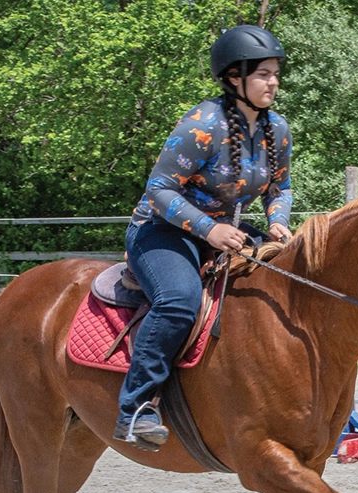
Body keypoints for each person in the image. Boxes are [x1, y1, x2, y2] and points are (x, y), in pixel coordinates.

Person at [114, 25, 293, 451]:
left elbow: (278, 188)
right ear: (235, 77)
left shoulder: (277, 129)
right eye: (264, 74)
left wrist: (278, 221)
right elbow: (159, 190)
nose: (274, 82)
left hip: (225, 234)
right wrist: (210, 228)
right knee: (178, 300)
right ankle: (135, 408)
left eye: (275, 74)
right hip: (161, 232)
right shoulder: (202, 124)